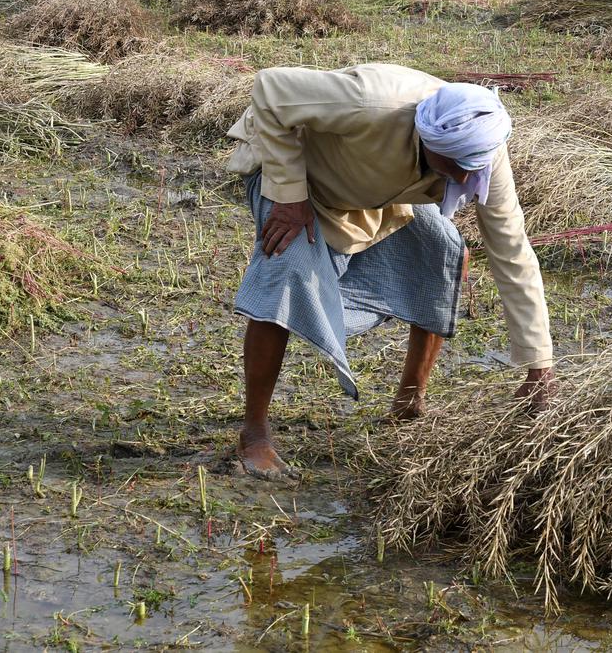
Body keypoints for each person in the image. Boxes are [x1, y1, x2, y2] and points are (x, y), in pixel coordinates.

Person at [224, 63, 556, 479]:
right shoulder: (373, 102)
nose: (470, 178)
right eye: (459, 166)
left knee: (445, 251)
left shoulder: (484, 150)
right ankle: (254, 433)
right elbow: (270, 88)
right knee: (286, 271)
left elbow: (512, 251)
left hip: (374, 192)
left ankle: (410, 401)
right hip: (300, 175)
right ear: (428, 140)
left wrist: (539, 365)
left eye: (477, 167)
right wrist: (290, 196)